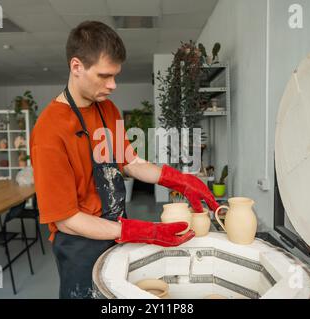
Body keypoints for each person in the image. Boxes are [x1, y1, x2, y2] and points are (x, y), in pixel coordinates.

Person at [30, 21, 219, 299]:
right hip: (80, 248)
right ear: (76, 67)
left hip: (118, 232)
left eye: (116, 75)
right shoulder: (49, 130)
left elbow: (130, 162)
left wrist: (178, 179)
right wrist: (142, 231)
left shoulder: (108, 109)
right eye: (105, 76)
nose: (113, 85)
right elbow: (67, 220)